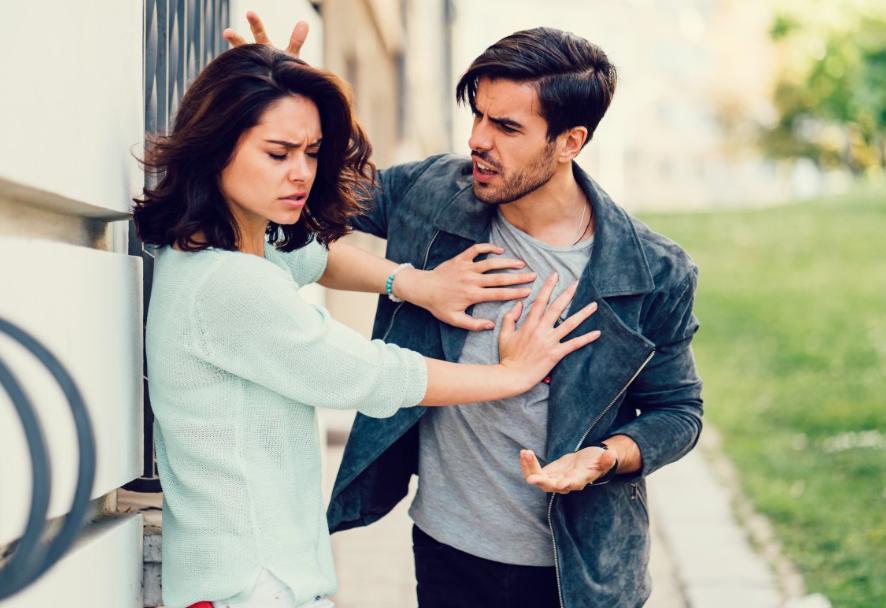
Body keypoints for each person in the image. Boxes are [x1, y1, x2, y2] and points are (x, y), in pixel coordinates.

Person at [226, 17, 703, 608]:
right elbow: (307, 191)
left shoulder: (652, 272)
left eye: (507, 127)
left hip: (578, 573)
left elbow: (678, 411)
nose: (479, 139)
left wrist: (605, 457)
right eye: (478, 115)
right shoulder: (434, 191)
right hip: (446, 548)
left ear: (570, 142)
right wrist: (282, 100)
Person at [133, 44, 602, 608]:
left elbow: (313, 256)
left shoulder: (217, 253)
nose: (301, 173)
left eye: (311, 152)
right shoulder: (233, 284)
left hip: (247, 576)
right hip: (254, 584)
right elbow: (371, 375)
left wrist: (411, 283)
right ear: (216, 148)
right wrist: (511, 375)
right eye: (278, 153)